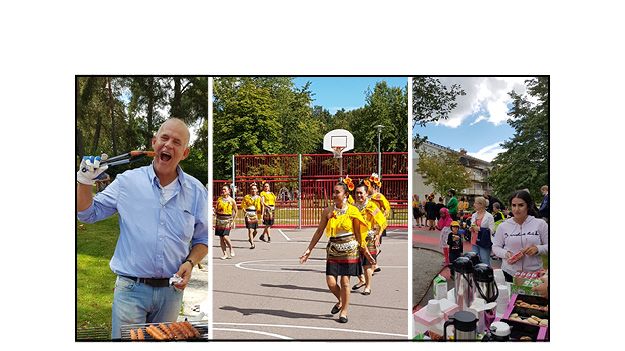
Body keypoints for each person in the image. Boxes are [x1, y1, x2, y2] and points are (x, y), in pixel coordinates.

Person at [76, 118, 208, 339]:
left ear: (184, 152)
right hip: (130, 290)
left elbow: (202, 240)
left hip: (171, 292)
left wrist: (190, 262)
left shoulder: (196, 191)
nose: (168, 145)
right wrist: (84, 181)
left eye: (177, 142)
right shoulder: (127, 182)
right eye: (164, 138)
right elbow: (87, 213)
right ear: (154, 142)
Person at [300, 178, 376, 323]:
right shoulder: (328, 211)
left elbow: (359, 233)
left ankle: (344, 311)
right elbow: (319, 231)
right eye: (333, 192)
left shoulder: (353, 211)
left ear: (346, 194)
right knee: (330, 282)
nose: (334, 195)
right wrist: (309, 249)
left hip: (349, 250)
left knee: (345, 282)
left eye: (337, 192)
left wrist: (365, 251)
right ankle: (341, 300)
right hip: (334, 249)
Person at [492, 190, 549, 282]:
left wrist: (538, 249)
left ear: (528, 206)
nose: (516, 209)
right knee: (510, 297)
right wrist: (506, 254)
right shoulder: (503, 226)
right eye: (513, 205)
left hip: (534, 273)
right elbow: (495, 247)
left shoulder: (540, 224)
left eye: (521, 205)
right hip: (509, 272)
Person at [351, 180, 387, 295]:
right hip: (355, 239)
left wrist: (377, 235)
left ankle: (368, 286)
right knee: (354, 263)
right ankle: (361, 280)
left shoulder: (372, 206)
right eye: (357, 193)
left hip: (369, 238)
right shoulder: (352, 208)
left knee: (367, 264)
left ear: (366, 194)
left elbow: (382, 222)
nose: (359, 195)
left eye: (361, 193)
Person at [469, 196, 495, 265]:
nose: (474, 204)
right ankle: (477, 275)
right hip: (474, 241)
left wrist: (480, 229)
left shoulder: (489, 216)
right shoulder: (474, 215)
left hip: (484, 242)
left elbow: (492, 230)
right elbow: (472, 225)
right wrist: (471, 228)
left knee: (485, 261)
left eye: (475, 203)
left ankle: (486, 275)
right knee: (475, 260)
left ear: (481, 205)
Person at [215, 184, 237, 259]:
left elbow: (236, 211)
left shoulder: (231, 200)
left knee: (225, 236)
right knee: (221, 238)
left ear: (229, 191)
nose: (223, 191)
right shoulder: (219, 199)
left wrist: (233, 221)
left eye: (225, 189)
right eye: (223, 189)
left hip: (227, 220)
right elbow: (216, 209)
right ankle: (225, 254)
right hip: (219, 220)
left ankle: (231, 248)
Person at [241, 182, 262, 249]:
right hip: (248, 215)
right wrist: (245, 211)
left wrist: (261, 214)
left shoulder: (259, 198)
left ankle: (251, 238)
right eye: (252, 189)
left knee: (255, 231)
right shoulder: (246, 197)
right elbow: (243, 205)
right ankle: (252, 244)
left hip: (255, 215)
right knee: (250, 230)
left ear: (257, 190)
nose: (253, 190)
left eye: (255, 189)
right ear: (250, 190)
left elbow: (262, 205)